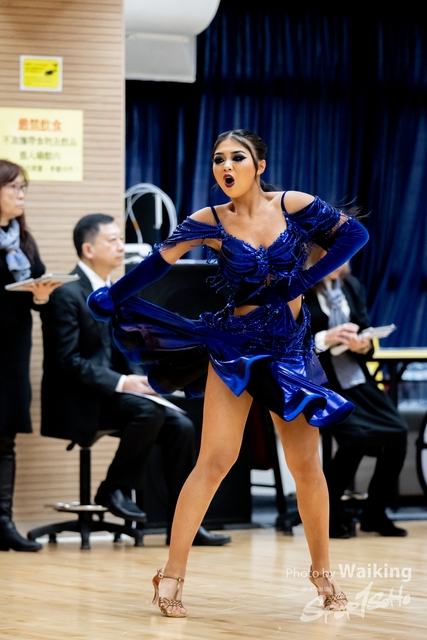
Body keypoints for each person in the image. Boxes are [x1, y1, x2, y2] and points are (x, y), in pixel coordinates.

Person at [88, 130, 369, 616]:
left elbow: (354, 235)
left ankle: (322, 572)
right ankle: (171, 574)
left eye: (237, 157)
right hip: (236, 349)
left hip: (291, 351)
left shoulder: (293, 205)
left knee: (307, 467)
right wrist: (114, 295)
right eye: (218, 159)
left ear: (259, 166)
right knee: (215, 460)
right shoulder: (209, 220)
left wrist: (301, 282)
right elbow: (158, 263)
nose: (226, 166)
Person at [40, 213, 231, 547]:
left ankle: (183, 525)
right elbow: (66, 362)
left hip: (111, 396)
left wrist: (145, 381)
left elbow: (123, 352)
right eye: (112, 240)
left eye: (121, 239)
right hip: (78, 400)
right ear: (88, 249)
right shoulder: (66, 294)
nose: (120, 246)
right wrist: (124, 383)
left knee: (181, 426)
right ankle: (112, 488)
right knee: (149, 412)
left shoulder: (115, 293)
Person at [304, 263, 408, 538]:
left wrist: (364, 344)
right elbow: (291, 342)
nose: (343, 263)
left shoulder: (351, 286)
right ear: (313, 258)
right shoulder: (299, 289)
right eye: (334, 256)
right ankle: (327, 514)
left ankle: (374, 513)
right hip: (321, 382)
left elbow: (364, 329)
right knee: (356, 437)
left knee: (398, 432)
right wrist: (325, 338)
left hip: (356, 378)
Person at [0, 159, 61, 552]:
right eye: (14, 187)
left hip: (11, 353)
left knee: (4, 438)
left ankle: (3, 522)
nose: (21, 195)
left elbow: (38, 296)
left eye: (24, 188)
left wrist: (41, 296)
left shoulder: (23, 240)